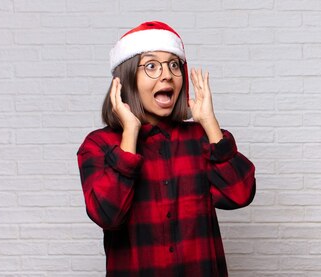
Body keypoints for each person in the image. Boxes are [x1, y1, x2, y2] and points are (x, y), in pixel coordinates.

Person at [76, 21, 256, 276]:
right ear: (127, 79)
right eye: (151, 66)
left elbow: (240, 194)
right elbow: (108, 216)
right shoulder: (99, 145)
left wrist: (209, 123)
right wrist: (130, 132)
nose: (167, 74)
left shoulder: (201, 138)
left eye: (174, 64)